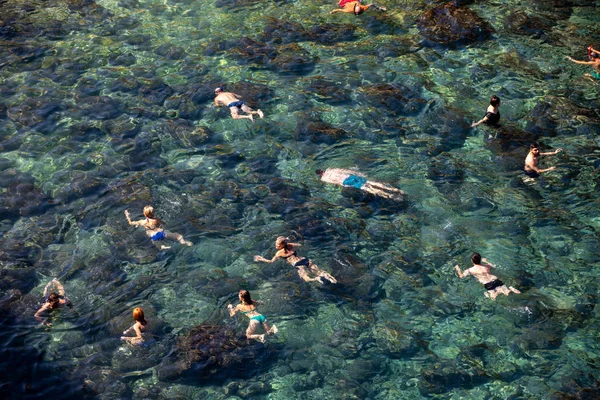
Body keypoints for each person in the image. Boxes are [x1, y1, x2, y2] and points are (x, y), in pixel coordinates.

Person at [254, 236, 337, 284]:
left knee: (306, 279)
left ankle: (317, 279)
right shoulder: (290, 245)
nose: (276, 245)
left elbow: (271, 261)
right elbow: (300, 245)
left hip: (298, 264)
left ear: (282, 245)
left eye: (277, 244)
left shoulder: (279, 253)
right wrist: (288, 242)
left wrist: (261, 258)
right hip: (305, 260)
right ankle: (331, 278)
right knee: (320, 271)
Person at [455, 253, 521, 300]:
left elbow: (461, 276)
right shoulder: (486, 266)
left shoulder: (470, 270)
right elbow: (493, 266)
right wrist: (486, 261)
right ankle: (509, 290)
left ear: (472, 261)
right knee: (506, 292)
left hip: (488, 284)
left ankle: (497, 293)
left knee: (493, 298)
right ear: (480, 259)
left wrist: (458, 269)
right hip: (495, 279)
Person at [124, 206, 192, 250]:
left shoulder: (141, 222)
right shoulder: (156, 220)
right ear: (153, 213)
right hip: (162, 233)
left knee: (158, 244)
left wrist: (128, 216)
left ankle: (163, 247)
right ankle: (184, 242)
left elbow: (130, 223)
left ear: (144, 214)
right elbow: (164, 224)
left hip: (153, 236)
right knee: (178, 236)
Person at [316, 168, 405, 200]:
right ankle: (396, 190)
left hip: (346, 182)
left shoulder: (324, 179)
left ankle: (388, 195)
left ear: (319, 174)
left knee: (370, 189)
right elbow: (345, 170)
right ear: (322, 170)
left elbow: (336, 182)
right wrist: (358, 173)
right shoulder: (330, 169)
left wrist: (345, 185)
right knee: (371, 182)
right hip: (350, 176)